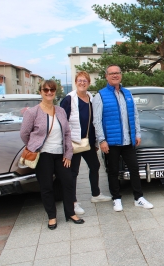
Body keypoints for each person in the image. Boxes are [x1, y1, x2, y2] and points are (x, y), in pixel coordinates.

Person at [20, 80, 84, 230]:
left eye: (52, 90)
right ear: (41, 91)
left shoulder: (60, 110)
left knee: (68, 182)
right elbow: (24, 133)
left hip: (60, 154)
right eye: (46, 90)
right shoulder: (32, 112)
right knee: (47, 186)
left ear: (55, 92)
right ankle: (52, 217)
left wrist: (68, 154)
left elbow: (67, 133)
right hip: (43, 155)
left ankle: (70, 213)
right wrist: (34, 146)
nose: (49, 92)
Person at [93, 65, 153, 211]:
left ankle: (138, 197)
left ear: (121, 75)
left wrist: (137, 134)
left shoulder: (127, 94)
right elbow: (97, 120)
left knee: (134, 169)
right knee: (113, 171)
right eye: (111, 73)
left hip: (128, 140)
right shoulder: (100, 96)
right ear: (106, 76)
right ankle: (116, 198)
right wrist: (101, 140)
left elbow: (135, 115)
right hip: (111, 142)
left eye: (117, 73)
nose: (115, 75)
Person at [60, 71, 111, 215]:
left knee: (95, 166)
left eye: (85, 81)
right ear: (75, 82)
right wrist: (65, 144)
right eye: (79, 80)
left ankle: (96, 194)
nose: (82, 83)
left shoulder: (91, 98)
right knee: (73, 172)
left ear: (89, 83)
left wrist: (95, 142)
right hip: (74, 142)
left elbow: (94, 122)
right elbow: (62, 122)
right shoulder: (69, 100)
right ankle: (73, 202)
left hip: (87, 143)